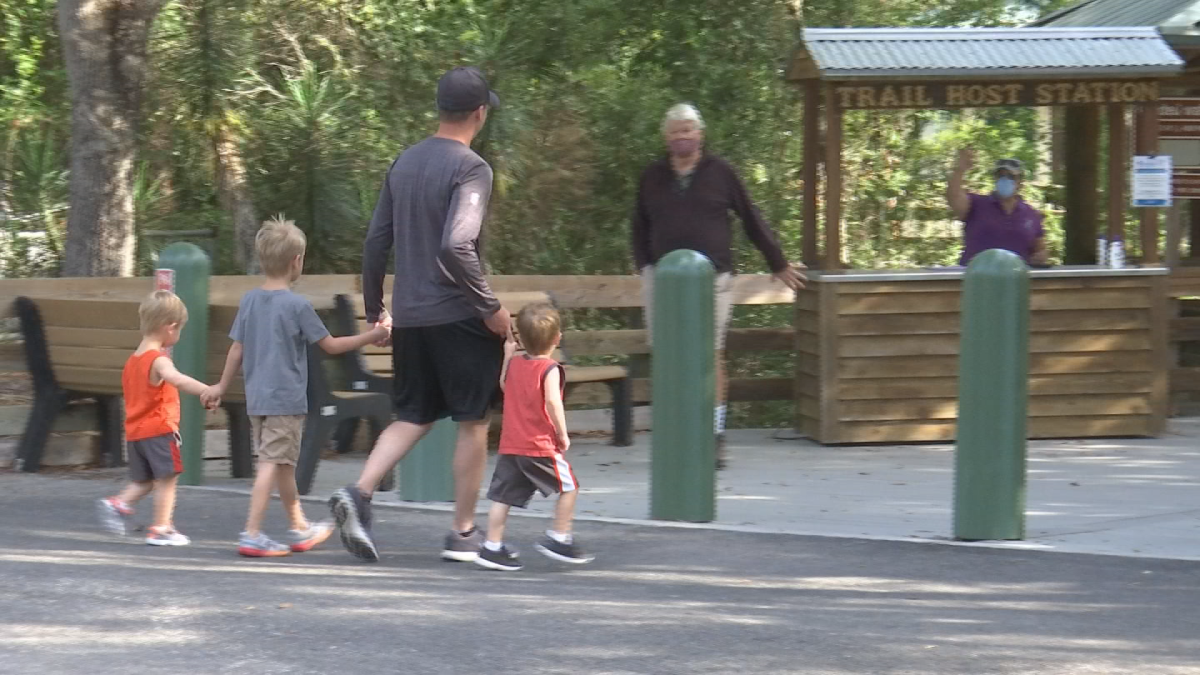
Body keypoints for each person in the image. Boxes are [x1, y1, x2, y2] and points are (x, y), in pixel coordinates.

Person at [329, 66, 507, 563]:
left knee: (413, 415)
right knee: (472, 420)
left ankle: (359, 493)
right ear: (480, 113)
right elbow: (457, 245)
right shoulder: (471, 167)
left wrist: (375, 310)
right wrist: (489, 307)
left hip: (410, 316)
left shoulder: (404, 162)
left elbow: (375, 243)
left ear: (440, 108)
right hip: (458, 316)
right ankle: (463, 532)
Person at [632, 103, 805, 468]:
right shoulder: (652, 176)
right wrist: (645, 267)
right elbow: (639, 225)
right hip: (663, 279)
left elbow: (751, 216)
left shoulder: (721, 172)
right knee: (667, 356)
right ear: (666, 137)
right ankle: (675, 433)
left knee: (710, 355)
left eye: (687, 130)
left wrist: (778, 262)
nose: (682, 137)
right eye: (675, 132)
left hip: (713, 279)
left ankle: (714, 434)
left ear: (700, 134)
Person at [205, 216, 389, 557]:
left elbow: (237, 349)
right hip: (285, 400)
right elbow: (330, 346)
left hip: (258, 398)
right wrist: (372, 335)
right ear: (296, 261)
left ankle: (299, 525)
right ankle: (252, 532)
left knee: (283, 464)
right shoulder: (297, 305)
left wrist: (220, 385)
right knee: (270, 463)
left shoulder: (249, 300)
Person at [475, 303, 594, 571]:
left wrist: (508, 354)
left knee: (503, 497)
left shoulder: (516, 364)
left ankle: (491, 546)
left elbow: (504, 385)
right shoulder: (550, 369)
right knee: (569, 487)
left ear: (522, 339)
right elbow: (552, 402)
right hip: (539, 446)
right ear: (557, 338)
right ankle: (559, 537)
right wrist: (562, 433)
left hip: (511, 445)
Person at [96, 290, 220, 546]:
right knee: (167, 479)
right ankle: (162, 528)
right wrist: (206, 390)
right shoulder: (158, 359)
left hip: (135, 433)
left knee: (145, 481)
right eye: (179, 329)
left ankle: (119, 503)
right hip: (159, 430)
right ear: (170, 327)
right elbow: (177, 379)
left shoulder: (133, 361)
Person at [947, 148, 1048, 266]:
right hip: (977, 275)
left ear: (1020, 182)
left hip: (1015, 276)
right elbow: (953, 196)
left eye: (1011, 176)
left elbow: (1040, 249)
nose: (1005, 180)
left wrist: (1041, 256)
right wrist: (960, 169)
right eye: (1000, 175)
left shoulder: (1031, 214)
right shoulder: (976, 204)